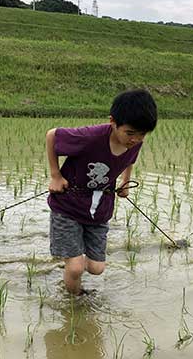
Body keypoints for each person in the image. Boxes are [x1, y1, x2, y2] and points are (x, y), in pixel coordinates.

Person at [45, 89, 158, 294]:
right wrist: (56, 176)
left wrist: (125, 181)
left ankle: (72, 266)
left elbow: (130, 159)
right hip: (68, 205)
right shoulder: (90, 137)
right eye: (130, 133)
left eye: (142, 135)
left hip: (100, 209)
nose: (135, 139)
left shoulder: (134, 142)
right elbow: (52, 135)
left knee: (96, 268)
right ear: (113, 122)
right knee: (77, 267)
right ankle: (73, 301)